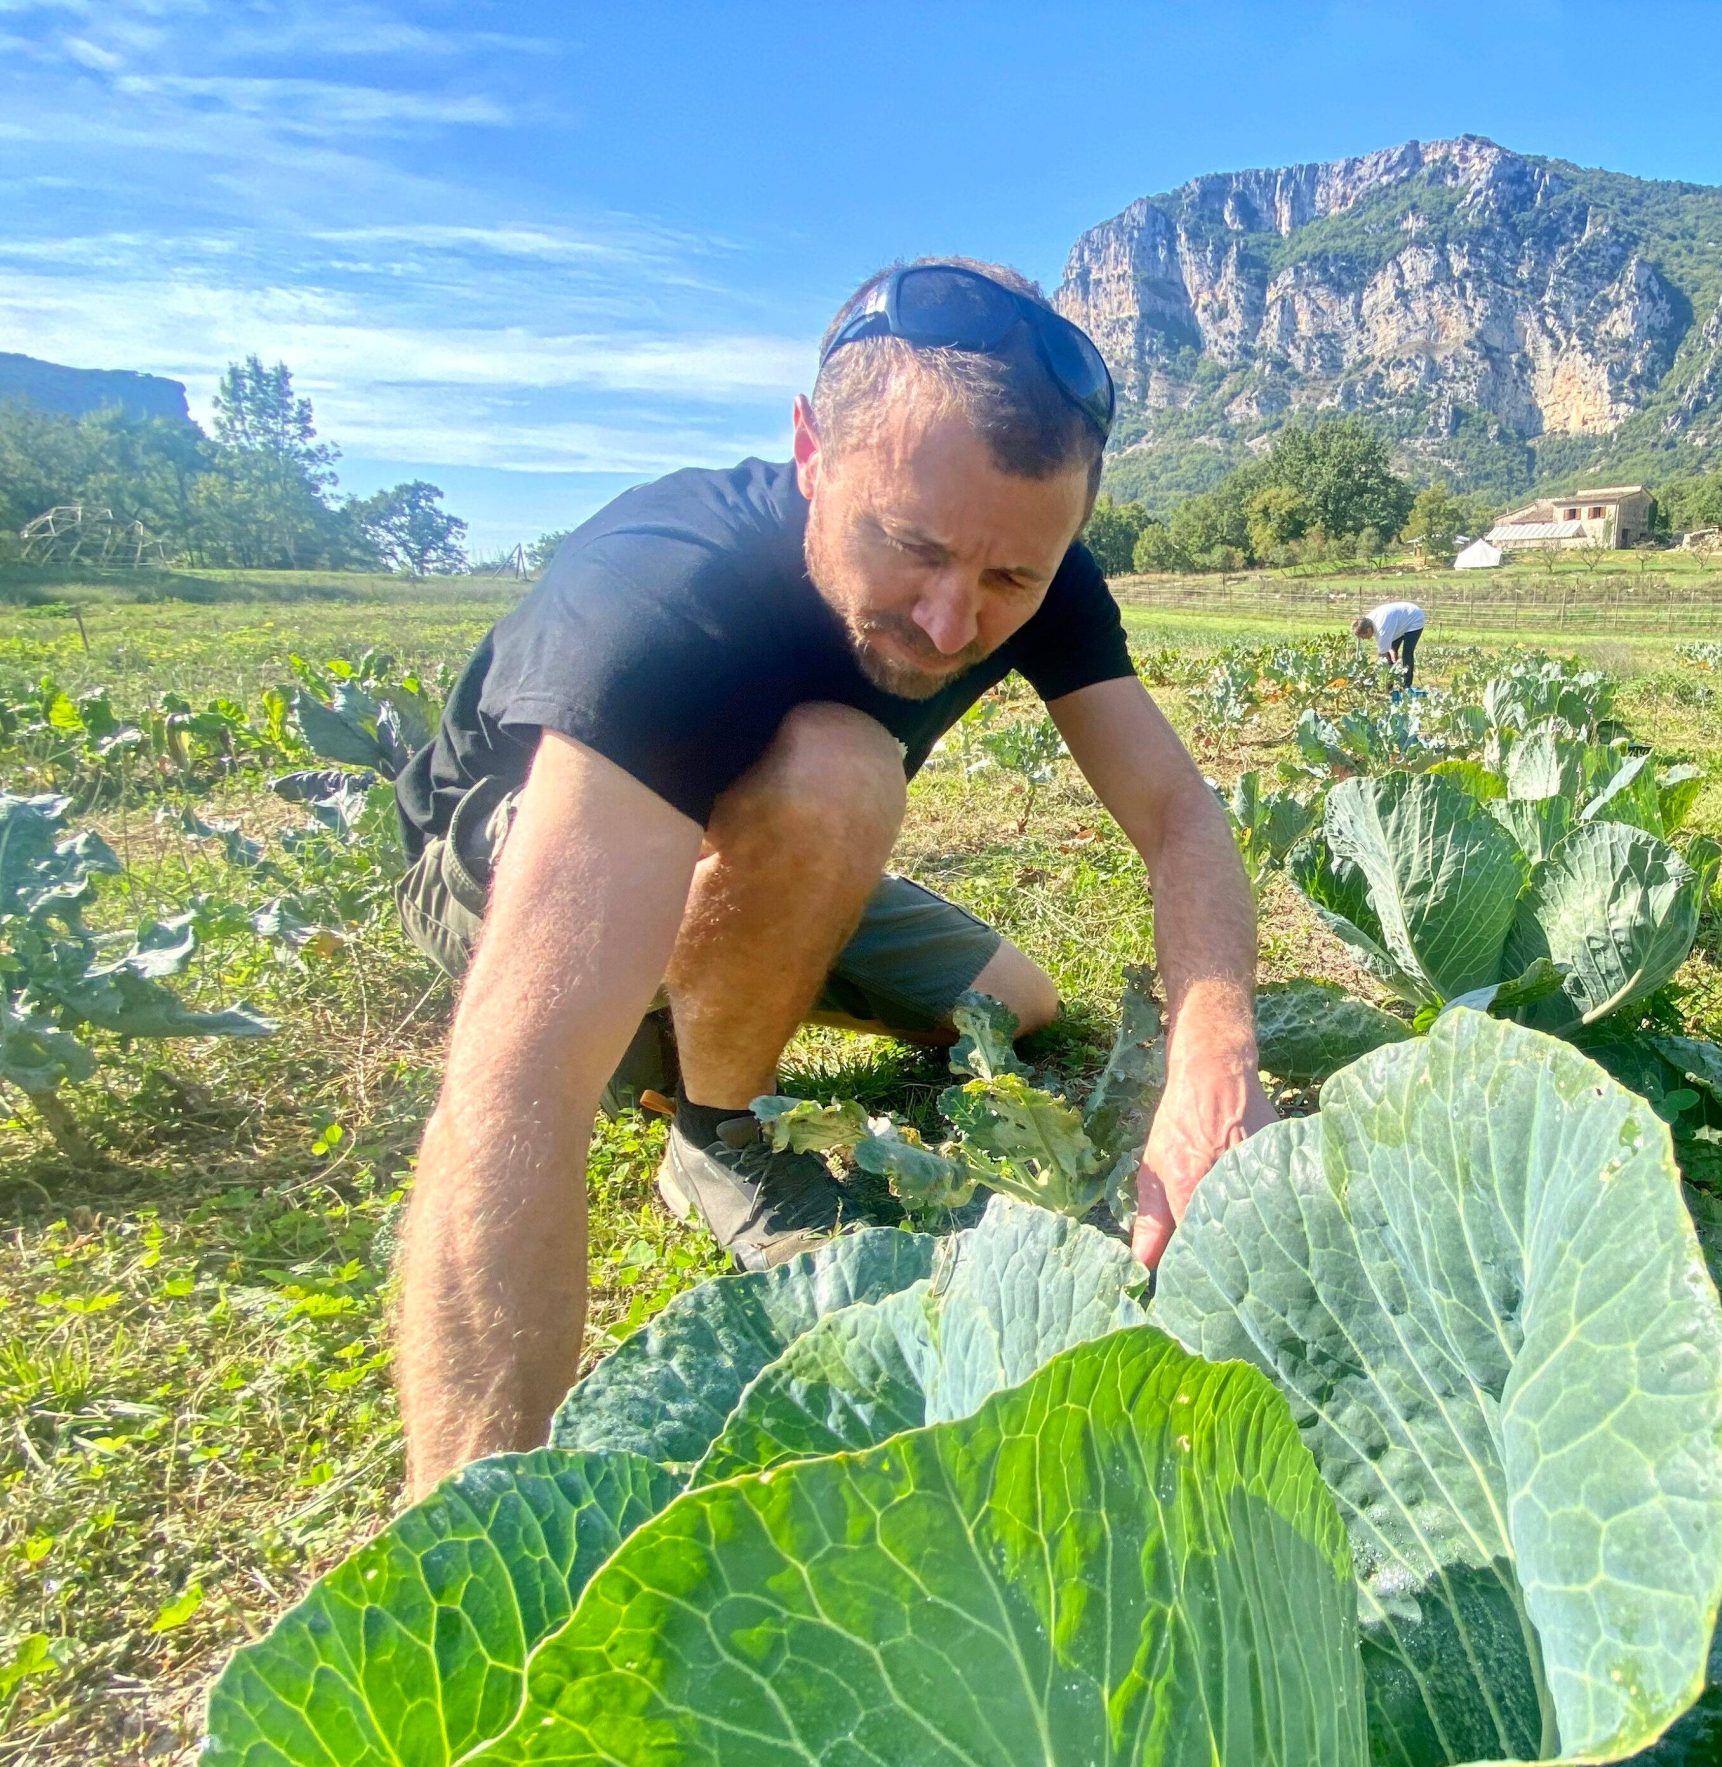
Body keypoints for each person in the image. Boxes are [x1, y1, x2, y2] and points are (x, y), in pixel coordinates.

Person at [388, 258, 1276, 1499]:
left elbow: (1178, 812)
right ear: (811, 448)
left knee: (1013, 1003)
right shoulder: (659, 596)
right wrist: (468, 1543)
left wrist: (1213, 1065)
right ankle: (715, 1133)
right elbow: (510, 1088)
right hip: (502, 850)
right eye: (909, 549)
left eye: (1010, 579)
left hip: (763, 838)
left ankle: (690, 992)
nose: (953, 622)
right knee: (840, 767)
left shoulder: (1029, 558)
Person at [1352, 599, 1425, 692]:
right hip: (1398, 620)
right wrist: (1391, 651)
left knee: (1407, 653)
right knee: (1391, 654)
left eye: (1363, 636)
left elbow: (1382, 658)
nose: (1363, 639)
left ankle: (1406, 685)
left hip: (1414, 617)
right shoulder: (1364, 621)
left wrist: (1379, 674)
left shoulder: (1381, 629)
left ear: (1369, 630)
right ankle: (1390, 686)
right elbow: (1387, 646)